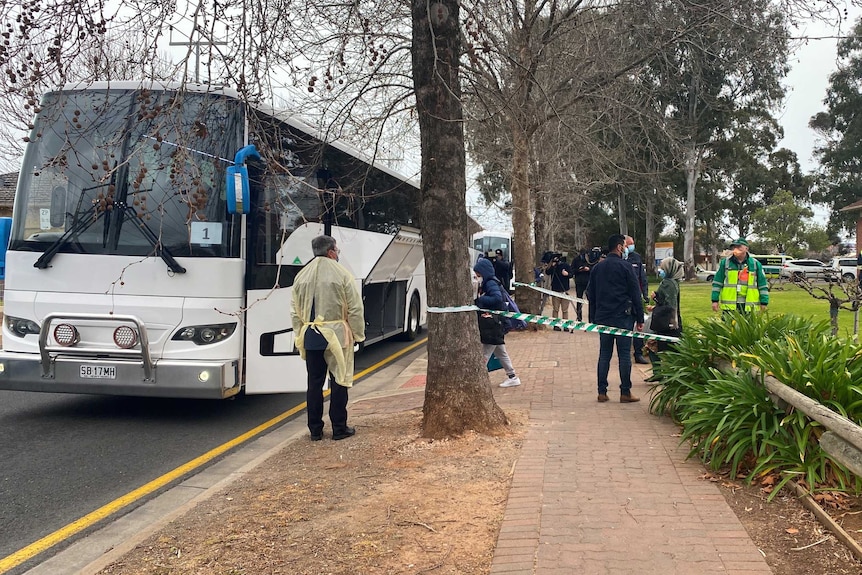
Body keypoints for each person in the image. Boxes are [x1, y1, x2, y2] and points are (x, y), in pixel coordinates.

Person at [290, 235, 366, 441]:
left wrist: (300, 334)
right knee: (339, 381)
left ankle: (315, 430)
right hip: (337, 335)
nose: (337, 254)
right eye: (337, 251)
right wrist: (359, 334)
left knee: (314, 383)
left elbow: (295, 311)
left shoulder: (301, 275)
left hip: (310, 334)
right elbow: (355, 308)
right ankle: (339, 428)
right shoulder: (342, 274)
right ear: (331, 251)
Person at [586, 233, 645, 403]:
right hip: (623, 317)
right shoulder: (626, 267)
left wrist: (593, 318)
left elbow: (591, 294)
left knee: (604, 353)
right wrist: (640, 318)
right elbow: (636, 294)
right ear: (620, 247)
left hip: (603, 317)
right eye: (625, 246)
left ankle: (602, 391)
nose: (627, 249)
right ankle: (625, 392)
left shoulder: (598, 268)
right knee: (624, 354)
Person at [474, 257, 521, 387]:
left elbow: (496, 299)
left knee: (485, 353)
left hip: (493, 324)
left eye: (478, 275)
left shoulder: (490, 284)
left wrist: (479, 300)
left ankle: (477, 379)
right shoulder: (491, 282)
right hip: (496, 323)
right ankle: (512, 376)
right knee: (500, 351)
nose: (477, 277)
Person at [710, 237, 769, 314]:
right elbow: (717, 282)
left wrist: (764, 302)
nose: (736, 249)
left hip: (750, 306)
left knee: (748, 326)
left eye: (739, 246)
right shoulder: (725, 263)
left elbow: (762, 284)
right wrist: (715, 300)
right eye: (734, 247)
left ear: (746, 248)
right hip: (729, 306)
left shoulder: (755, 264)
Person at [645, 257, 684, 362]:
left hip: (667, 324)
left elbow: (670, 305)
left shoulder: (668, 283)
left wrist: (656, 299)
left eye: (662, 268)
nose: (660, 270)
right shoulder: (674, 282)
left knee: (654, 346)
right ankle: (659, 373)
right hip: (672, 323)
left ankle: (659, 373)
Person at [624, 235, 650, 364]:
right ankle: (625, 353)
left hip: (636, 297)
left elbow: (642, 277)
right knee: (626, 327)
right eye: (629, 244)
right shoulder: (621, 258)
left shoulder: (636, 257)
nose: (632, 246)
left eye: (632, 243)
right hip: (623, 299)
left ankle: (638, 353)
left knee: (639, 326)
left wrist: (645, 294)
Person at [546, 254, 572, 330]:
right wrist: (552, 265)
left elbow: (571, 274)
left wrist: (567, 274)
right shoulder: (553, 267)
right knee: (555, 309)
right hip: (555, 291)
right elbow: (548, 272)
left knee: (565, 310)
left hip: (565, 290)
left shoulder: (565, 265)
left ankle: (565, 325)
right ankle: (555, 325)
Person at [571, 248, 593, 322]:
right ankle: (579, 318)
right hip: (579, 282)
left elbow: (594, 268)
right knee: (579, 300)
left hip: (588, 282)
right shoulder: (576, 260)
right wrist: (579, 270)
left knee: (590, 300)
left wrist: (588, 269)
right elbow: (572, 271)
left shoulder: (590, 259)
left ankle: (591, 319)